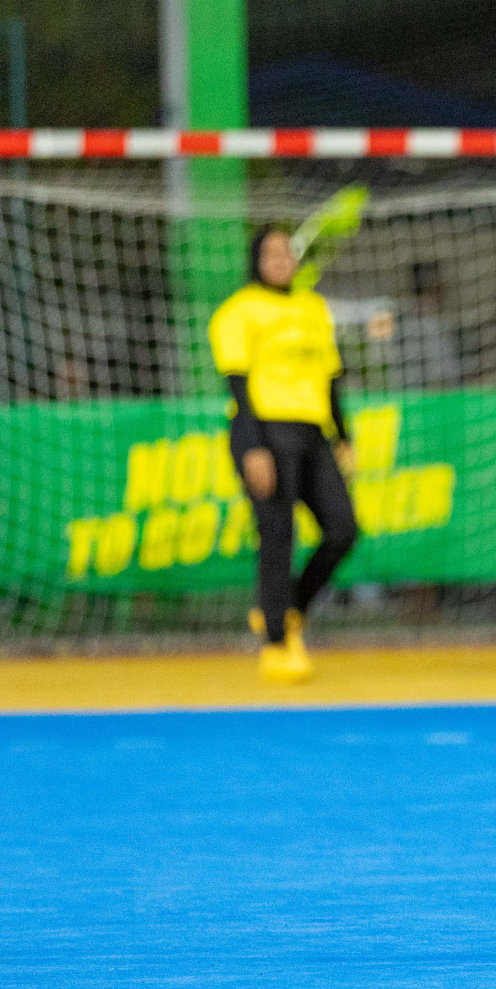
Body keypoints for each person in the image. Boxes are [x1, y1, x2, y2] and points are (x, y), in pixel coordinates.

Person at [208, 225, 359, 684]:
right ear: (255, 261)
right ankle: (276, 643)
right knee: (277, 534)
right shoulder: (238, 312)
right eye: (270, 253)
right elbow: (238, 385)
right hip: (264, 431)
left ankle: (285, 609)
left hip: (312, 432)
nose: (280, 260)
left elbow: (330, 377)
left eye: (286, 252)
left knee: (342, 529)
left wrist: (344, 435)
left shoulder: (313, 307)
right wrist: (253, 447)